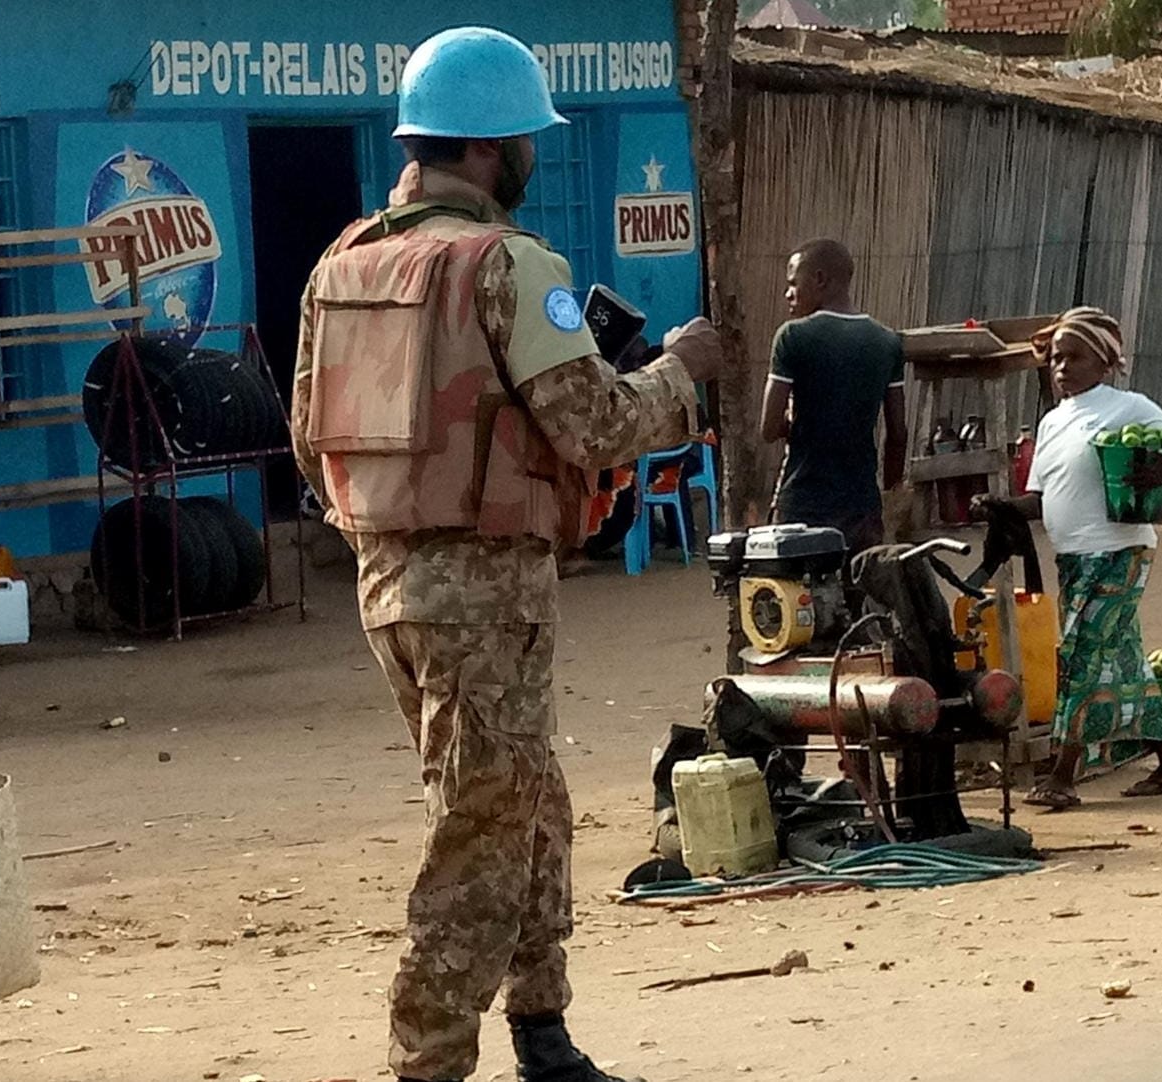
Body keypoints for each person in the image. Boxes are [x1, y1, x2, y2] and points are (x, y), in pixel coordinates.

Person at [288, 27, 723, 1082]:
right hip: (483, 587)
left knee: (528, 799)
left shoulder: (342, 263)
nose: (532, 156)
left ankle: (544, 1029)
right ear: (490, 150)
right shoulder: (512, 265)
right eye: (525, 139)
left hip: (388, 578)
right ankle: (428, 1057)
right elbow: (595, 425)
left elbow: (308, 433)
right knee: (484, 822)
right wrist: (678, 375)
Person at [977, 307, 1162, 810]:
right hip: (1074, 558)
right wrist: (999, 506)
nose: (1061, 367)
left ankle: (1061, 773)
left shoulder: (1127, 407)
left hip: (1120, 549)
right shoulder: (1053, 422)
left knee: (1080, 655)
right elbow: (1041, 498)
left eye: (1074, 357)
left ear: (1103, 363)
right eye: (1056, 358)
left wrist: (1161, 475)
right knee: (1119, 658)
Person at [759, 238, 906, 554]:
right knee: (860, 596)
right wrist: (890, 491)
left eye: (793, 283)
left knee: (796, 597)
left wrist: (795, 421)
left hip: (804, 503)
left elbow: (769, 428)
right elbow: (898, 434)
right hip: (862, 505)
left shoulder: (792, 337)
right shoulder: (887, 342)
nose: (788, 294)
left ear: (820, 279)